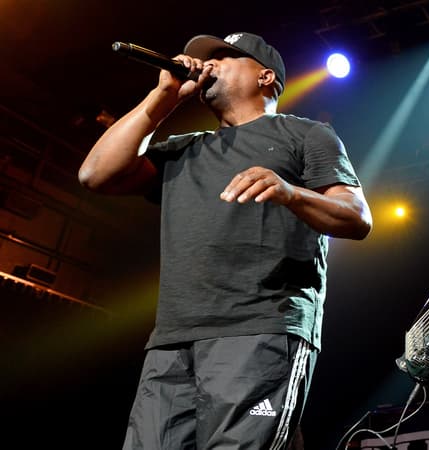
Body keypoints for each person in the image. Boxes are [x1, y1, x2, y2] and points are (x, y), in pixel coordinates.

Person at [78, 31, 372, 449]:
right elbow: (95, 175)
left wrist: (289, 191)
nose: (209, 64)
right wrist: (161, 101)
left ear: (265, 76)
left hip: (260, 330)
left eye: (226, 57)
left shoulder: (305, 135)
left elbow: (357, 218)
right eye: (207, 59)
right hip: (173, 339)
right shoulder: (184, 149)